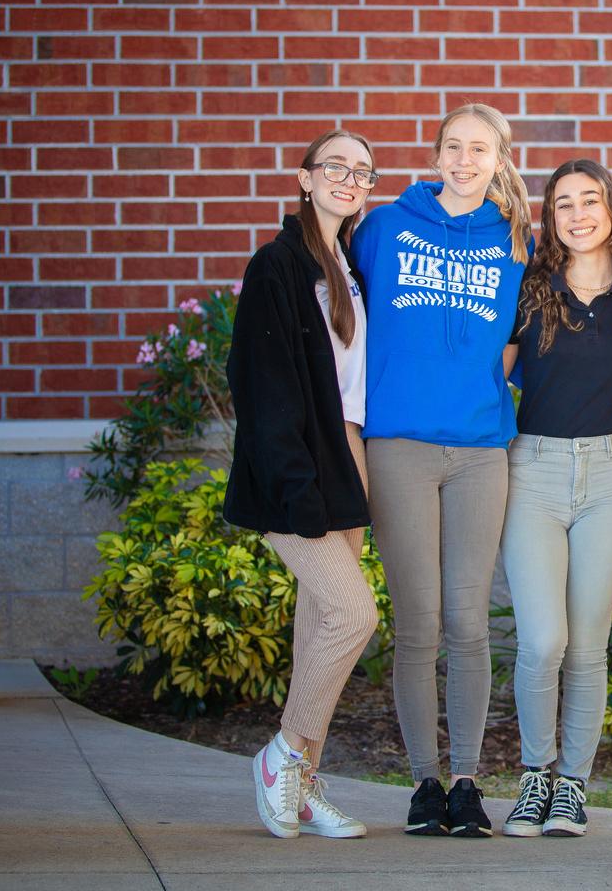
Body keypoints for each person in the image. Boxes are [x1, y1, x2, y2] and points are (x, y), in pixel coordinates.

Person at [349, 103, 530, 838]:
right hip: (400, 445)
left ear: (499, 160)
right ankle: (425, 781)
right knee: (418, 621)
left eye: (479, 150)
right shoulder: (385, 227)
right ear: (435, 155)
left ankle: (466, 782)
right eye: (453, 147)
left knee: (468, 621)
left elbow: (518, 341)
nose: (464, 160)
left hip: (481, 451)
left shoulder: (515, 240)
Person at [496, 161, 612, 838]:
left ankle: (572, 787)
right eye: (563, 203)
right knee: (542, 641)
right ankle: (535, 777)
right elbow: (487, 370)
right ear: (550, 217)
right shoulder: (530, 288)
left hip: (611, 475)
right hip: (532, 472)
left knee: (588, 647)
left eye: (590, 200)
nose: (578, 214)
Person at [225, 129, 381, 840]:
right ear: (305, 177)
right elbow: (262, 386)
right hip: (296, 469)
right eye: (335, 166)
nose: (349, 179)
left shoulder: (347, 266)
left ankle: (303, 785)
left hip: (348, 459)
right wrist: (296, 486)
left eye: (362, 172)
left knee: (319, 622)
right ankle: (283, 754)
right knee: (353, 615)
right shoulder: (277, 266)